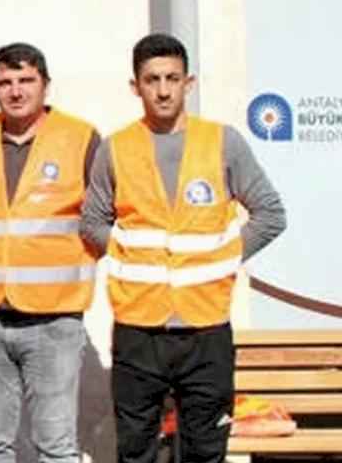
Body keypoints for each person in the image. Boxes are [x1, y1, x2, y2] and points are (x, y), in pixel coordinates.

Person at [80, 33, 286, 463]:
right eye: (152, 79)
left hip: (206, 327)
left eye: (172, 78)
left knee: (205, 451)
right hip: (138, 328)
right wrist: (125, 252)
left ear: (188, 83)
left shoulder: (223, 142)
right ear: (135, 86)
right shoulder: (115, 148)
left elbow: (270, 213)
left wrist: (226, 255)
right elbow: (92, 223)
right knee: (135, 451)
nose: (163, 90)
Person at [0, 43, 101, 463]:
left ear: (45, 85)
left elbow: (103, 219)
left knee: (55, 446)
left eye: (26, 80)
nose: (16, 91)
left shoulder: (81, 138)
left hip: (55, 320)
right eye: (5, 82)